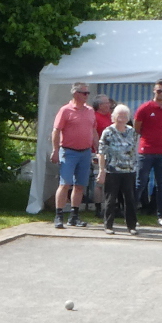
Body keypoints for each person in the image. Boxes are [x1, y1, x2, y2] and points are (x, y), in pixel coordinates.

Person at [51, 83, 98, 229]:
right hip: (68, 151)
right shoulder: (65, 110)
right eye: (84, 93)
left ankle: (74, 216)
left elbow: (93, 131)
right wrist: (55, 150)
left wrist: (97, 150)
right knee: (65, 183)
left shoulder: (90, 111)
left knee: (80, 186)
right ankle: (59, 216)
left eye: (88, 93)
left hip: (85, 152)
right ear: (75, 94)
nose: (87, 96)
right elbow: (56, 131)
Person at [134, 80, 162, 227]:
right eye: (159, 91)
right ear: (154, 91)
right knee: (140, 183)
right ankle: (132, 215)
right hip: (146, 151)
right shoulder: (144, 108)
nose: (161, 94)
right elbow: (137, 128)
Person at [96, 104, 139, 235]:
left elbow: (134, 150)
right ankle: (108, 225)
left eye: (125, 116)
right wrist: (102, 170)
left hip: (129, 171)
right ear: (114, 117)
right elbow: (101, 152)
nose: (122, 118)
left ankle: (132, 226)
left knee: (130, 199)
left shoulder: (132, 131)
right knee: (110, 199)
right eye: (119, 115)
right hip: (112, 171)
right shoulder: (108, 132)